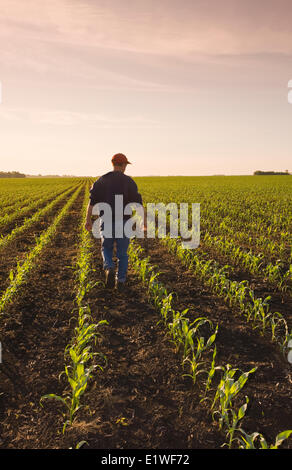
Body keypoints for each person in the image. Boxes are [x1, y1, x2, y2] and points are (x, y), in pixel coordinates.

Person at [85, 153, 146, 291]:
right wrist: (144, 221)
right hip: (124, 223)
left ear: (112, 164)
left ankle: (109, 268)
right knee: (122, 253)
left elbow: (91, 202)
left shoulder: (101, 180)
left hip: (106, 221)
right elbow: (138, 204)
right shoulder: (129, 181)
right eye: (125, 165)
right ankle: (121, 281)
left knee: (106, 248)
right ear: (123, 165)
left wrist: (87, 219)